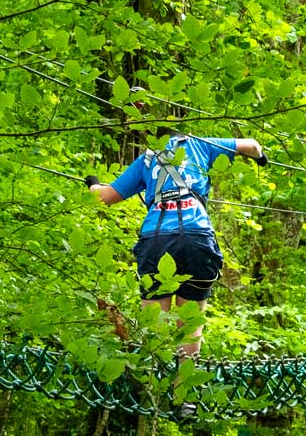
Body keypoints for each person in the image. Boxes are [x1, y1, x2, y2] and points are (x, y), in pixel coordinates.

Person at [86, 133, 264, 356]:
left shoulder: (147, 159)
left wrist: (93, 183)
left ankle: (152, 380)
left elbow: (105, 197)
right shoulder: (201, 144)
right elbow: (252, 146)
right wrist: (260, 157)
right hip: (196, 237)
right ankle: (182, 388)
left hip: (156, 239)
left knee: (154, 323)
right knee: (190, 324)